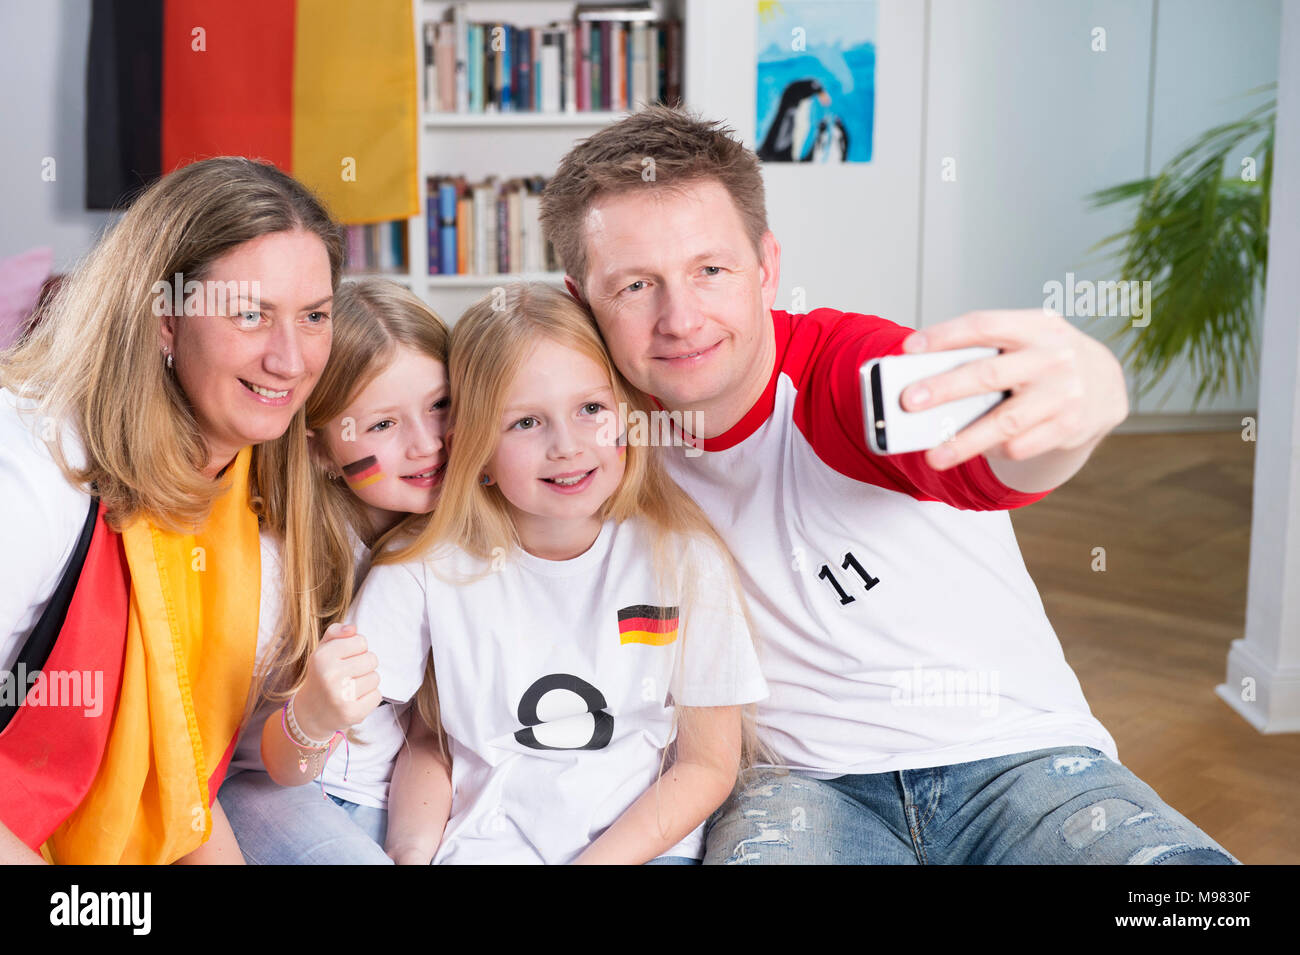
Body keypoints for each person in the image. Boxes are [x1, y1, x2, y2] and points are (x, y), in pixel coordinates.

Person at [536, 104, 1239, 865]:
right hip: (800, 785)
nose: (681, 318)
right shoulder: (591, 434)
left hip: (1017, 755)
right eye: (636, 285)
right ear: (581, 303)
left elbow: (982, 463)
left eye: (711, 270)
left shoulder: (848, 373)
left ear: (766, 267)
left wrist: (1077, 413)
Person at [346, 281, 768, 864]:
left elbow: (706, 764)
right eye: (525, 423)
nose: (567, 446)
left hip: (641, 851)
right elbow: (427, 743)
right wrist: (410, 851)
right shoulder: (423, 568)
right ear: (475, 447)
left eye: (590, 409)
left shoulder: (685, 559)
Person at [0, 156, 341, 864]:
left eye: (314, 316)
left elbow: (181, 781)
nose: (290, 358)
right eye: (250, 313)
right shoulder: (34, 468)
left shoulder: (260, 522)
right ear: (164, 321)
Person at [219, 278, 452, 864]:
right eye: (382, 425)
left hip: (398, 801)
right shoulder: (276, 566)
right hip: (273, 789)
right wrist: (312, 716)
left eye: (440, 406)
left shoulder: (462, 542)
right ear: (320, 449)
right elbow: (262, 765)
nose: (427, 445)